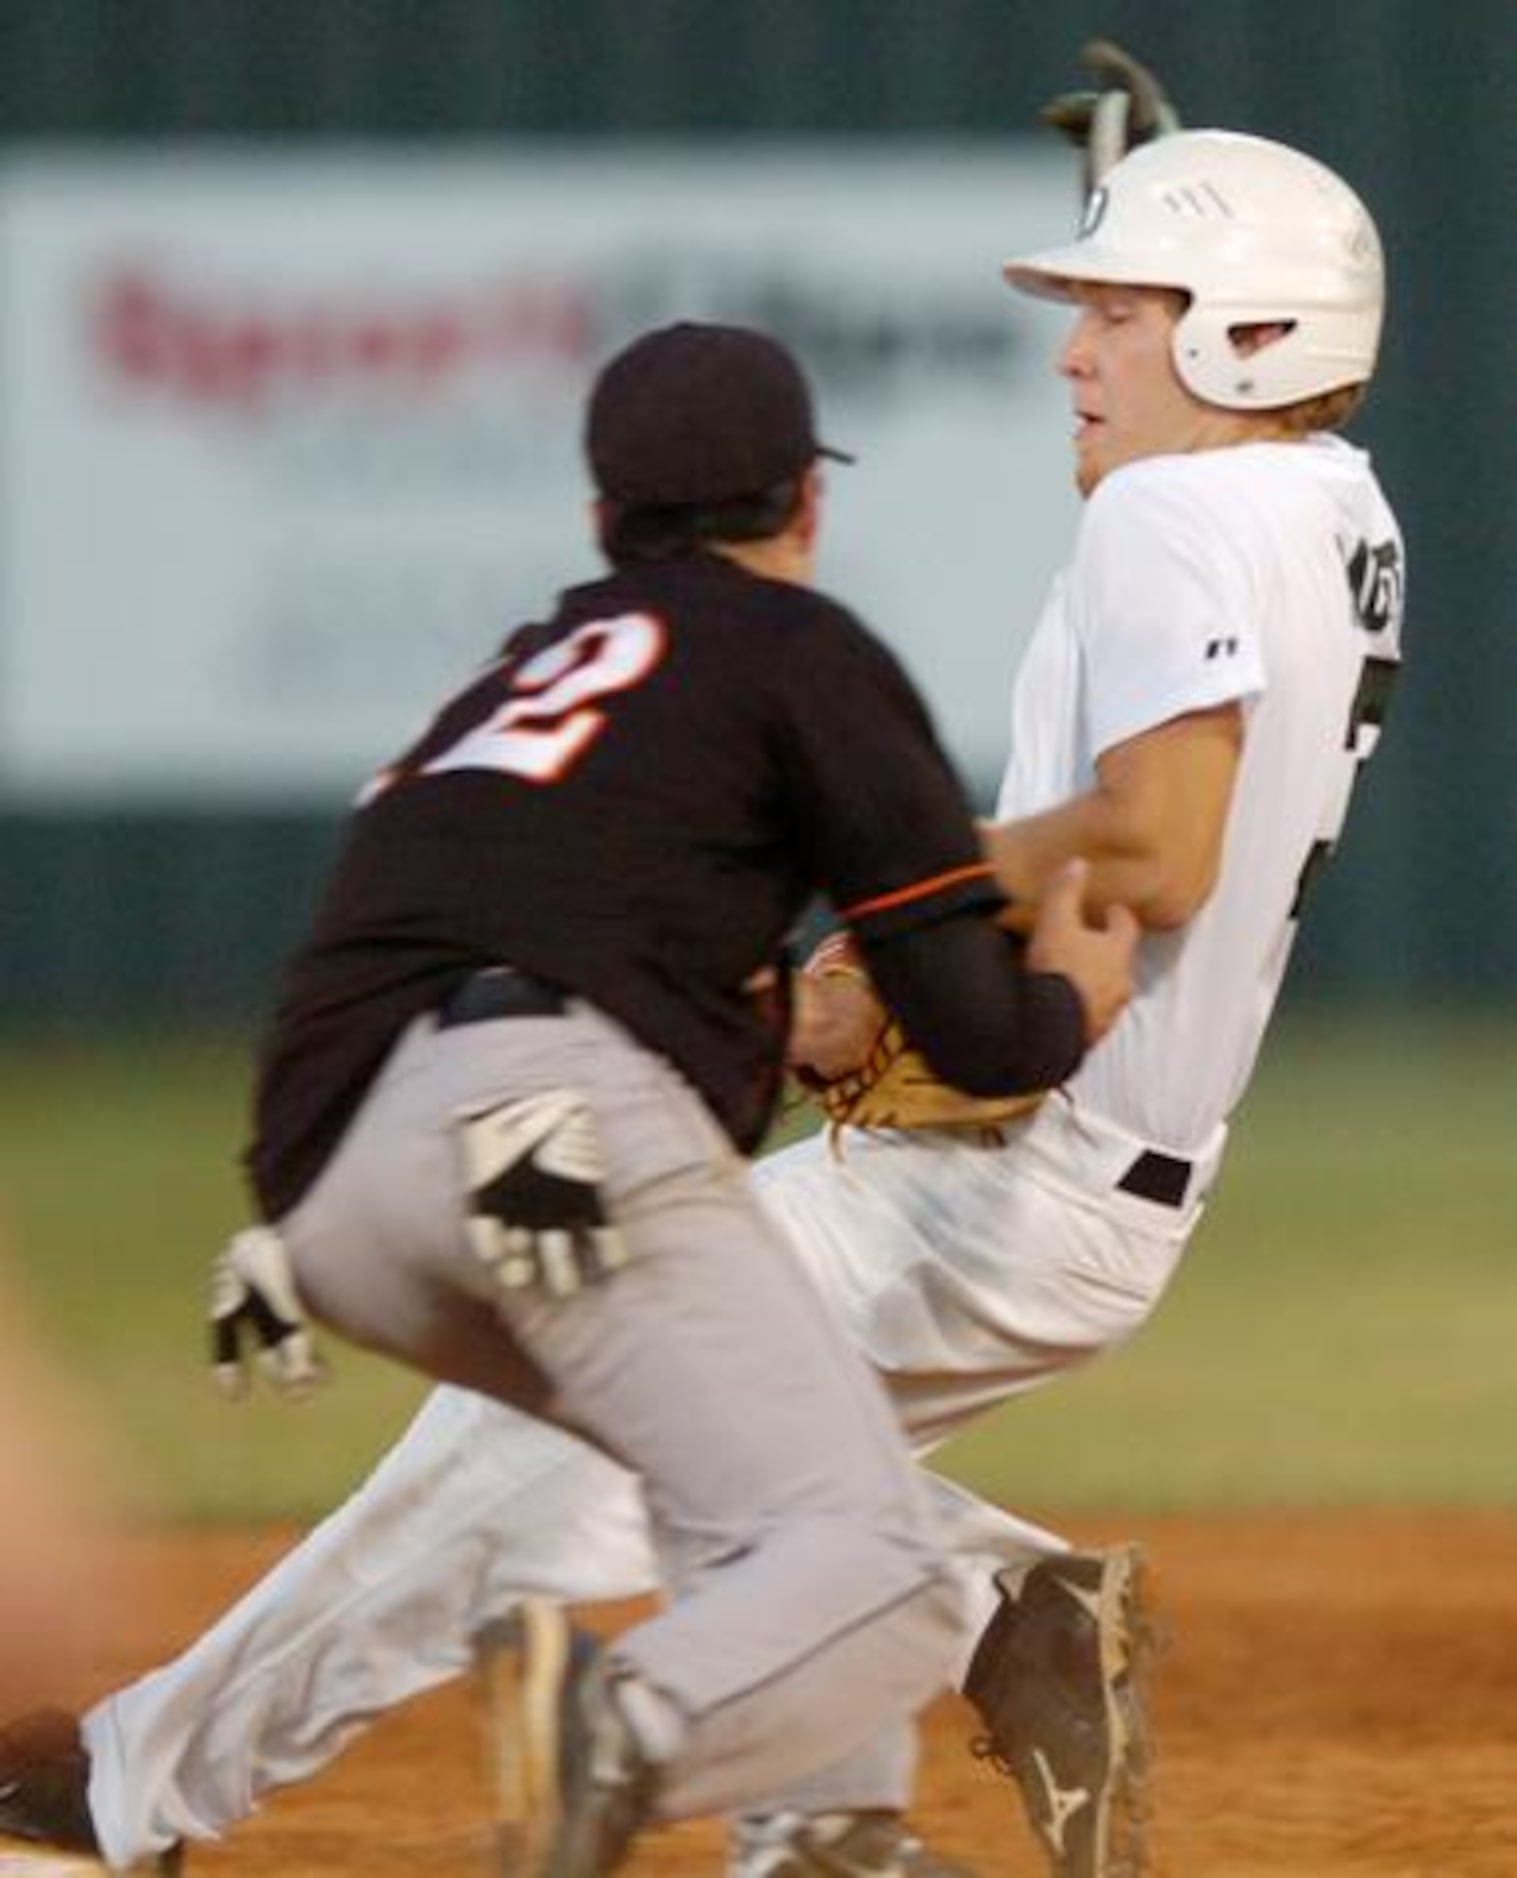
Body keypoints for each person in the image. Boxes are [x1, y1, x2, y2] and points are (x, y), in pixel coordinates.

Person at [0, 124, 1404, 1878]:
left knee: (523, 1442)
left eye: (1116, 314)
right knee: (684, 1450)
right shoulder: (1334, 506)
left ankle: (114, 1798)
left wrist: (914, 898)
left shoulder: (1170, 508)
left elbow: (1165, 845)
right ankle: (984, 1629)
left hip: (1004, 1162)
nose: (1071, 353)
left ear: (1241, 335)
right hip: (1106, 1169)